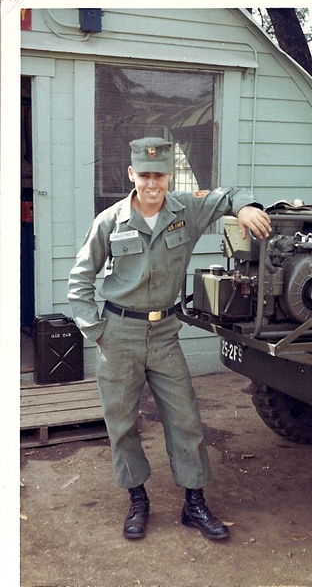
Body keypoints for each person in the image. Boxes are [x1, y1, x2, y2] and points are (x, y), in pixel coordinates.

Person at [68, 137, 271, 541]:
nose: (152, 184)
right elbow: (80, 281)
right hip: (119, 333)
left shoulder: (186, 210)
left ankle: (194, 503)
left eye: (159, 175)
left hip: (164, 334)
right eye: (144, 175)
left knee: (186, 420)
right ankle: (137, 499)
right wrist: (97, 331)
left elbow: (227, 195)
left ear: (169, 175)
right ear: (132, 174)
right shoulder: (110, 220)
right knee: (122, 424)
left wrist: (247, 207)